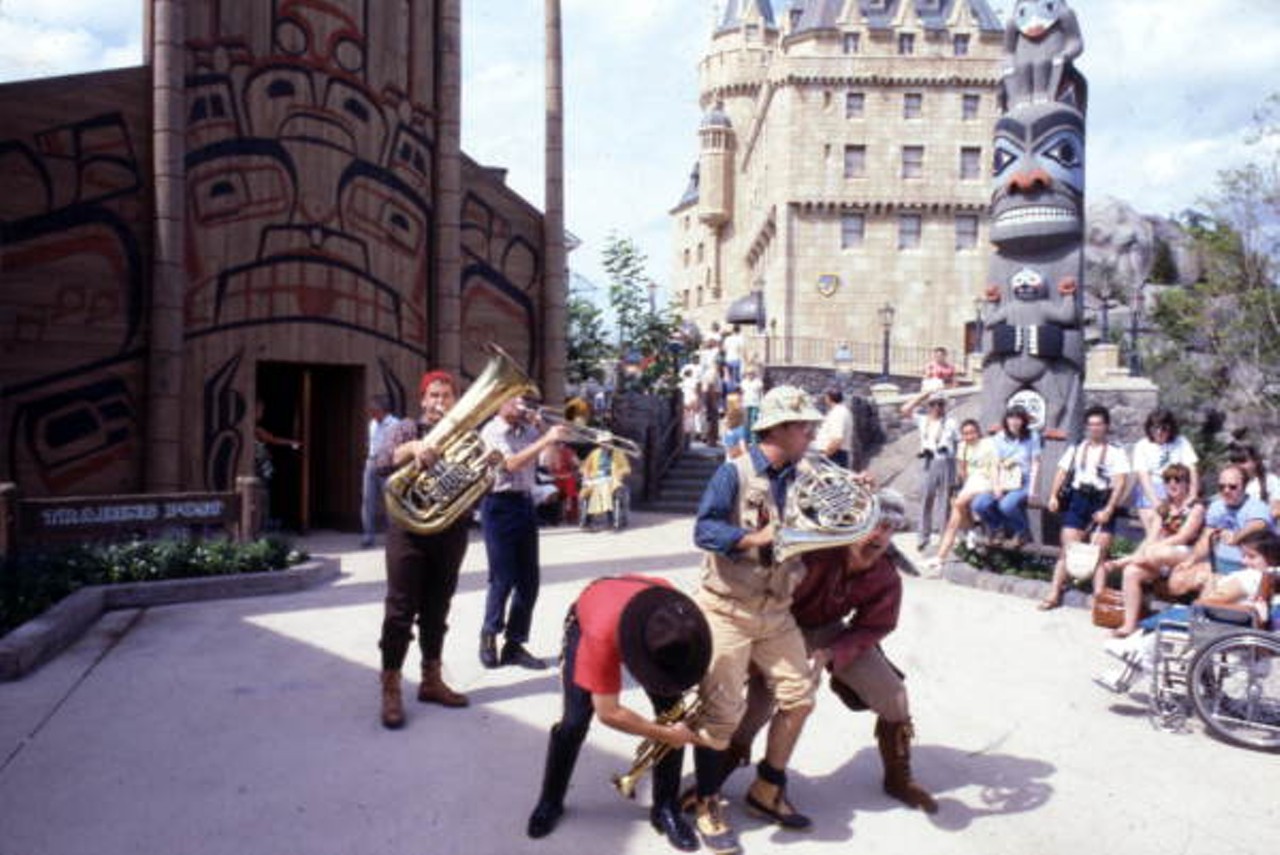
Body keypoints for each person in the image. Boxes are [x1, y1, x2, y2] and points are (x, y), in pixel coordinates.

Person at [708, 489, 938, 815]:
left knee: (894, 694)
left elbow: (875, 625)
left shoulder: (885, 573)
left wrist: (832, 653)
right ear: (854, 523)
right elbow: (764, 590)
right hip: (781, 627)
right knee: (761, 702)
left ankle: (898, 779)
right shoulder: (814, 552)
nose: (879, 536)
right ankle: (712, 778)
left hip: (832, 631)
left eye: (888, 529)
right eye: (874, 524)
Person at [690, 385, 825, 854]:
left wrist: (858, 495)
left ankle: (767, 788)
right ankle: (707, 802)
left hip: (777, 611)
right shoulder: (734, 472)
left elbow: (833, 520)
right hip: (727, 608)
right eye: (804, 425)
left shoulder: (805, 474)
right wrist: (753, 538)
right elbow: (704, 530)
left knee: (799, 699)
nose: (811, 433)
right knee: (721, 715)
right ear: (780, 428)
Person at [526, 576, 713, 851]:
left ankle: (665, 807)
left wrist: (674, 726)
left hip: (644, 622)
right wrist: (666, 734)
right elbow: (609, 712)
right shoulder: (601, 636)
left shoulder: (676, 616)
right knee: (574, 721)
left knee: (673, 712)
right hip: (590, 623)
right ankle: (550, 800)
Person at [371, 371, 471, 729]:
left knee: (437, 608)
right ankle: (391, 687)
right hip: (408, 531)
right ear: (422, 399)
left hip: (449, 531)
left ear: (455, 401)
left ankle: (431, 680)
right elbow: (382, 462)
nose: (440, 402)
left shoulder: (465, 436)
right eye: (434, 395)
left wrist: (486, 472)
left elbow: (478, 488)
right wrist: (412, 450)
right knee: (399, 609)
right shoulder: (407, 429)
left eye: (446, 396)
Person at [1096, 529, 1279, 693]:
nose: (1244, 561)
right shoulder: (1267, 577)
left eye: (1251, 556)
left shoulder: (1250, 577)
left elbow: (1211, 601)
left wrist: (1208, 589)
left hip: (1220, 624)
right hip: (1231, 623)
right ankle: (1133, 660)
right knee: (1176, 613)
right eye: (1244, 555)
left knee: (1174, 618)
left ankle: (1136, 654)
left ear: (1270, 558)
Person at [478, 398, 569, 670]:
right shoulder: (491, 431)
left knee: (529, 580)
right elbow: (510, 464)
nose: (521, 405)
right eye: (514, 400)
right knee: (502, 577)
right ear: (500, 402)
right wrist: (544, 439)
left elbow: (551, 465)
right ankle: (489, 635)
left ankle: (514, 644)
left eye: (523, 400)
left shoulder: (529, 431)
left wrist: (547, 435)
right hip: (498, 505)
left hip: (525, 503)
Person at [1041, 405, 1132, 609]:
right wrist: (1054, 495)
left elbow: (1120, 483)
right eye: (1090, 424)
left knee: (1098, 554)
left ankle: (1098, 600)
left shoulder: (1116, 452)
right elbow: (1062, 472)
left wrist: (1109, 508)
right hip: (1078, 499)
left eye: (1098, 424)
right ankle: (1054, 593)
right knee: (1067, 550)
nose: (1094, 428)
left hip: (1101, 499)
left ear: (1106, 426)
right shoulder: (1077, 448)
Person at [1101, 463, 1206, 637]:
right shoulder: (1163, 508)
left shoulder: (1196, 507)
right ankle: (1129, 625)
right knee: (1131, 571)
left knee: (1157, 552)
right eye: (1167, 480)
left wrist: (1154, 548)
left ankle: (1121, 561)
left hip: (1186, 554)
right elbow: (1151, 537)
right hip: (1158, 556)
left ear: (1187, 483)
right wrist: (1145, 551)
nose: (1172, 484)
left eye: (1178, 480)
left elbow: (1183, 537)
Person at [1161, 464, 1275, 598]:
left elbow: (1258, 524)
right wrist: (1191, 560)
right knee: (1177, 581)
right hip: (1219, 565)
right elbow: (1207, 538)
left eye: (1232, 487)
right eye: (1222, 487)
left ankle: (1205, 610)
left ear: (1244, 487)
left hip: (1246, 569)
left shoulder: (1257, 507)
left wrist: (1236, 537)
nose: (1226, 490)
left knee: (1210, 590)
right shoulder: (1217, 507)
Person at [926, 418, 996, 572]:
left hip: (986, 480)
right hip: (972, 483)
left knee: (957, 503)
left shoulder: (988, 444)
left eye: (972, 432)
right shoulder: (963, 447)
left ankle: (970, 531)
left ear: (978, 432)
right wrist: (965, 487)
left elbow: (995, 466)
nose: (969, 436)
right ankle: (940, 558)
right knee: (953, 518)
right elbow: (962, 471)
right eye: (966, 434)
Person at [971, 405, 1041, 550]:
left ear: (1023, 421)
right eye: (1011, 418)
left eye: (1018, 418)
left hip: (1023, 481)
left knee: (1006, 505)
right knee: (979, 504)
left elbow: (1035, 463)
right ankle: (997, 528)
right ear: (1006, 420)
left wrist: (1032, 489)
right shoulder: (999, 438)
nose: (1014, 422)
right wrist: (996, 486)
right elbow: (995, 464)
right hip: (1003, 479)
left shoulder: (1032, 436)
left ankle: (1022, 531)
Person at [898, 389, 958, 550]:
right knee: (926, 499)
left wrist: (958, 468)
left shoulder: (951, 422)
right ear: (928, 406)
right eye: (933, 404)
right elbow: (904, 410)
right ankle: (923, 536)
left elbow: (959, 443)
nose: (937, 407)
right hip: (927, 461)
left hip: (946, 461)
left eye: (940, 403)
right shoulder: (922, 420)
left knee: (945, 501)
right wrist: (924, 394)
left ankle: (944, 538)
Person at [1129, 409, 1200, 541]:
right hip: (1152, 489)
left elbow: (1192, 468)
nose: (1159, 432)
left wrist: (1193, 494)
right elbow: (1143, 476)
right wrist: (1156, 502)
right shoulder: (1142, 446)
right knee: (1154, 534)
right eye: (1155, 428)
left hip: (1178, 489)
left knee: (1175, 532)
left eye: (1164, 428)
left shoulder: (1181, 442)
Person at [361, 395, 399, 548]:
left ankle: (392, 535)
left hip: (387, 464)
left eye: (373, 410)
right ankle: (368, 536)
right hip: (371, 462)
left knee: (389, 501)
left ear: (382, 410)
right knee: (367, 500)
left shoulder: (395, 424)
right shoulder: (372, 424)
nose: (371, 413)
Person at [579, 445, 631, 530]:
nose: (605, 445)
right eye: (603, 442)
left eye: (607, 442)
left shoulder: (618, 454)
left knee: (614, 492)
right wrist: (586, 474)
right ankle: (586, 522)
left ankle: (613, 522)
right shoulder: (595, 453)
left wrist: (620, 473)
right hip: (596, 479)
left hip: (612, 479)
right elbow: (585, 467)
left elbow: (626, 468)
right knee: (585, 493)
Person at [1228, 443, 1280, 521]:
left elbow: (1277, 509)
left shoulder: (1270, 481)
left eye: (1243, 461)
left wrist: (1257, 522)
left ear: (1255, 461)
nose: (1238, 466)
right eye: (1235, 462)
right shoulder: (1230, 485)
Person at [540, 439, 581, 525]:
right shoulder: (546, 451)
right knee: (554, 493)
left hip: (566, 476)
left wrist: (573, 473)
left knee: (571, 494)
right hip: (552, 478)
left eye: (562, 442)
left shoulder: (569, 452)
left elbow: (577, 464)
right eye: (557, 443)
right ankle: (557, 518)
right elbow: (543, 467)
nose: (560, 445)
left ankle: (571, 516)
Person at [816, 387, 856, 469]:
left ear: (829, 398)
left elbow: (837, 439)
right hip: (835, 454)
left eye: (825, 397)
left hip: (834, 455)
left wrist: (824, 456)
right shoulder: (841, 411)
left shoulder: (838, 413)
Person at [740, 366, 764, 438]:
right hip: (746, 403)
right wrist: (741, 403)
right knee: (746, 421)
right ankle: (746, 437)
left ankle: (754, 437)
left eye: (751, 373)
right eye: (748, 373)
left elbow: (761, 393)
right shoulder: (743, 382)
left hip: (755, 403)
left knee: (754, 420)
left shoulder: (758, 382)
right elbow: (742, 393)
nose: (749, 375)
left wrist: (761, 403)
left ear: (754, 374)